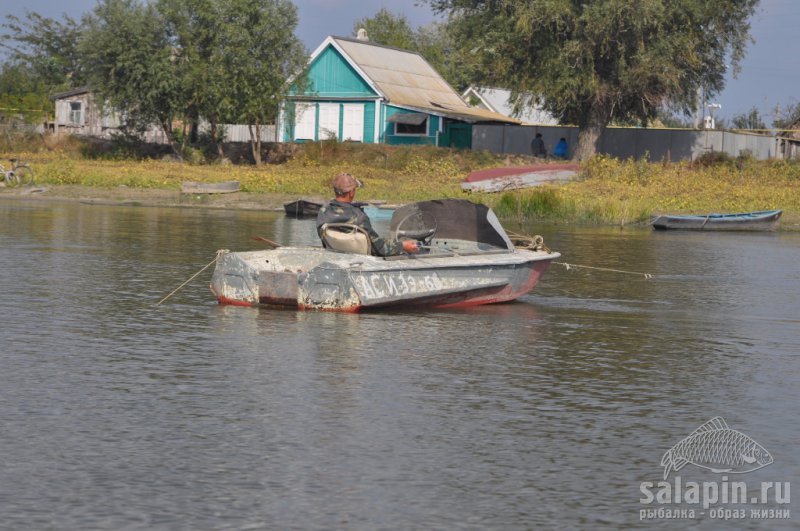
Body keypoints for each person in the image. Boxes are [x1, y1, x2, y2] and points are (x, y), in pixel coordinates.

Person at [316, 173, 419, 256]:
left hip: (336, 255)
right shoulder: (359, 217)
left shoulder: (323, 212)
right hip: (362, 261)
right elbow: (380, 248)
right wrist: (403, 245)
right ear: (351, 192)